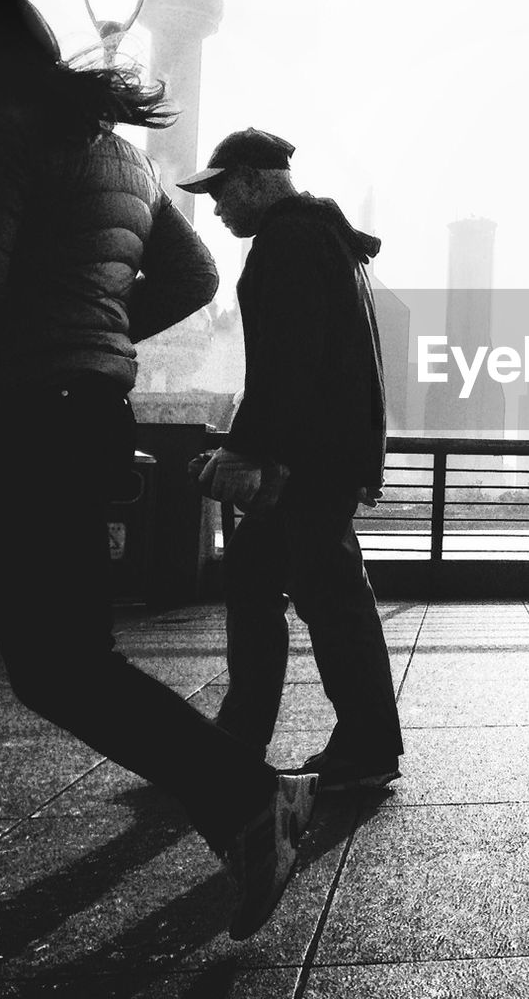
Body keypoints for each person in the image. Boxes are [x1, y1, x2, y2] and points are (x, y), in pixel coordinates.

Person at [0, 0, 317, 943]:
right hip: (81, 417)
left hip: (12, 422)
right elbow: (193, 273)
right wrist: (97, 332)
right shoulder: (116, 155)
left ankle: (250, 797)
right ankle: (249, 799)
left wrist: (60, 331)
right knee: (54, 666)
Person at [179, 127, 403, 792]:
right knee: (259, 580)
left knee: (329, 596)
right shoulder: (324, 237)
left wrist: (245, 448)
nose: (218, 208)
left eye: (222, 192)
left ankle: (363, 747)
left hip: (309, 459)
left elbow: (288, 365)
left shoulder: (288, 241)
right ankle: (240, 738)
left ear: (252, 178)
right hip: (324, 451)